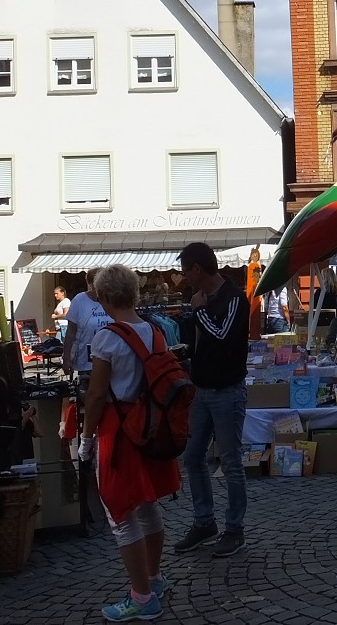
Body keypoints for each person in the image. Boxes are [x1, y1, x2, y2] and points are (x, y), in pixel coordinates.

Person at [77, 265, 179, 622]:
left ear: (104, 297)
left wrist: (85, 441)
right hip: (150, 428)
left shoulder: (107, 337)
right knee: (148, 505)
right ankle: (153, 578)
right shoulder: (155, 331)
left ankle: (142, 596)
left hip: (119, 432)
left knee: (120, 513)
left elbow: (96, 395)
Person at [175, 242, 249, 558]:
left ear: (197, 269)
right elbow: (200, 342)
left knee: (230, 462)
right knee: (192, 458)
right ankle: (205, 522)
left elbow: (221, 338)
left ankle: (234, 529)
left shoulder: (234, 299)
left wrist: (199, 312)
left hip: (227, 391)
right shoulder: (198, 300)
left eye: (184, 271)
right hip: (201, 390)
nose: (182, 278)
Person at [62, 267, 113, 377]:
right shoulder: (79, 300)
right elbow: (70, 332)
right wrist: (66, 359)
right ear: (90, 284)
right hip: (86, 362)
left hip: (111, 360)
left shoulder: (112, 299)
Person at [245, 247, 263, 341]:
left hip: (251, 294)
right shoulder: (255, 266)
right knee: (254, 314)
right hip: (255, 293)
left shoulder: (250, 266)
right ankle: (254, 334)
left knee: (251, 314)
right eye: (254, 255)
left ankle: (253, 333)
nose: (255, 257)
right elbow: (256, 281)